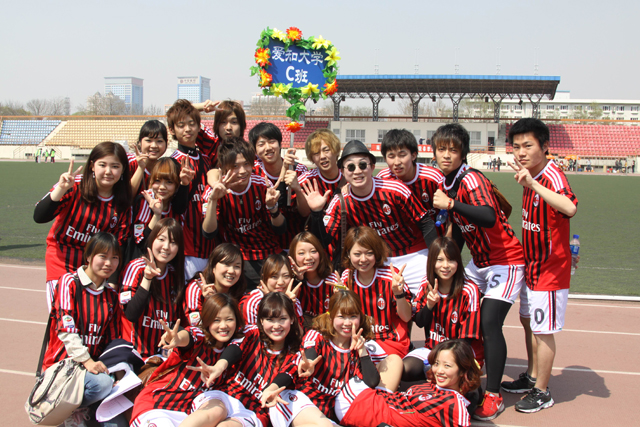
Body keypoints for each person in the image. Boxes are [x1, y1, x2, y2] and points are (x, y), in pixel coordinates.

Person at [431, 123, 525, 421]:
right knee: (459, 311)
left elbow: (488, 216)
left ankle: (493, 394)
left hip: (505, 261)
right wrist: (449, 263)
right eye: (441, 149)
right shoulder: (447, 181)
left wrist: (451, 204)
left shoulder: (471, 179)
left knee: (488, 322)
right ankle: (467, 376)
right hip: (479, 264)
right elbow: (459, 229)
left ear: (463, 153)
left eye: (453, 150)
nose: (446, 155)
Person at [503, 118, 578, 413]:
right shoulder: (530, 173)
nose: (521, 152)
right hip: (532, 265)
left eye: (528, 145)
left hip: (550, 269)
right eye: (516, 146)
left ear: (545, 146)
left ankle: (542, 391)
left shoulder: (550, 176)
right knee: (529, 322)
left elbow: (570, 207)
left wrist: (533, 184)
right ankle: (533, 376)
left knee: (543, 330)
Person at [304, 139, 437, 294]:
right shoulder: (340, 202)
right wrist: (316, 212)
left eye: (362, 165)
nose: (357, 171)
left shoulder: (396, 190)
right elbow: (323, 240)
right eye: (351, 167)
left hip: (414, 255)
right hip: (375, 262)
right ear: (343, 172)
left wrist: (435, 258)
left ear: (372, 167)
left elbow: (425, 222)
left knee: (429, 301)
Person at [183, 292, 332, 427]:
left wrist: (270, 390)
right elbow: (235, 348)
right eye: (270, 319)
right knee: (212, 412)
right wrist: (219, 366)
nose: (276, 326)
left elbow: (286, 375)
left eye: (282, 319)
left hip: (254, 410)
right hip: (227, 394)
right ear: (261, 320)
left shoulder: (296, 352)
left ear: (292, 319)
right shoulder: (252, 333)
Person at [34, 141, 132, 311]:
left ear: (123, 169)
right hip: (61, 260)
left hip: (94, 268)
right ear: (92, 166)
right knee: (63, 315)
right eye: (102, 165)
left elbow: (118, 244)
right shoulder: (74, 184)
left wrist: (112, 281)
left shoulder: (123, 202)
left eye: (115, 166)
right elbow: (39, 216)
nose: (108, 171)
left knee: (88, 318)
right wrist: (60, 189)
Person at [42, 232, 125, 426]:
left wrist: (118, 374)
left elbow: (112, 342)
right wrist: (87, 361)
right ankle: (68, 409)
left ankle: (80, 406)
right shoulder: (69, 283)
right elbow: (66, 330)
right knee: (102, 384)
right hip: (64, 367)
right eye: (103, 256)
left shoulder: (111, 295)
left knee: (119, 422)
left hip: (92, 371)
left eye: (114, 258)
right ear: (88, 256)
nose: (109, 263)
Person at [130, 293, 244, 427]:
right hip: (158, 406)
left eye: (229, 319)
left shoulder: (236, 347)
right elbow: (188, 336)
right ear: (207, 320)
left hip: (189, 414)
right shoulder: (200, 338)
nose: (223, 326)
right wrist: (177, 338)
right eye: (216, 320)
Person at [332, 226, 412, 391]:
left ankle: (380, 396)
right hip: (358, 340)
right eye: (357, 254)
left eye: (369, 253)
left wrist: (398, 293)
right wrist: (339, 299)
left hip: (389, 341)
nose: (363, 259)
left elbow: (406, 317)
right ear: (348, 254)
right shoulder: (347, 278)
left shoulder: (391, 277)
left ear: (377, 253)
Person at [202, 138, 287, 290]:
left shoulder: (261, 185)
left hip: (270, 253)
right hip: (240, 258)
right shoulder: (214, 191)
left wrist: (273, 207)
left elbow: (280, 229)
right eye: (235, 166)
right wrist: (213, 200)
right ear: (224, 167)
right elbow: (208, 233)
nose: (242, 171)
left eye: (246, 164)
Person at [335, 340, 482, 427]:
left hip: (358, 406)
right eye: (437, 363)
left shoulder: (455, 405)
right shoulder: (433, 386)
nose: (439, 371)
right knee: (392, 360)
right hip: (366, 399)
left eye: (447, 366)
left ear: (463, 371)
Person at [403, 237, 482, 378]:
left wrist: (443, 362)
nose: (445, 265)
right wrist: (429, 305)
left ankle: (440, 375)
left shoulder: (469, 290)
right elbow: (420, 322)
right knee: (404, 370)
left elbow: (466, 339)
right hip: (432, 349)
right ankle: (433, 374)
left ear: (458, 262)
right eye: (439, 260)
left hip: (460, 353)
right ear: (432, 262)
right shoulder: (426, 284)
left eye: (451, 260)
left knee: (458, 382)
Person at [298, 290, 382, 420]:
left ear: (360, 318)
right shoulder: (317, 336)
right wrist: (308, 363)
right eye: (341, 317)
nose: (347, 323)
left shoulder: (361, 347)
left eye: (353, 316)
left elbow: (372, 382)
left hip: (335, 412)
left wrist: (362, 351)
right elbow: (310, 353)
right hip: (306, 405)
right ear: (330, 317)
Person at [119, 218, 185, 359]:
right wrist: (147, 278)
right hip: (132, 354)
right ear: (152, 240)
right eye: (161, 239)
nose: (166, 247)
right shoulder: (135, 267)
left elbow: (176, 322)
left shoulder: (174, 275)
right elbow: (130, 314)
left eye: (173, 242)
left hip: (160, 356)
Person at [167, 99, 218, 279]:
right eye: (181, 125)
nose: (187, 129)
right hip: (186, 249)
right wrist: (183, 185)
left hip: (210, 246)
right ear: (172, 130)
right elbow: (176, 207)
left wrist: (200, 108)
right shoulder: (172, 162)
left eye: (192, 124)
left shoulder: (206, 159)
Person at [249, 122, 310, 253]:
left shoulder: (299, 170)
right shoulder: (253, 172)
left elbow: (305, 212)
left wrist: (297, 189)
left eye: (272, 142)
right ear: (254, 150)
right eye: (261, 144)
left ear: (280, 144)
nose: (268, 148)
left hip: (296, 244)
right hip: (265, 246)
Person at [127, 157, 192, 263]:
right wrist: (156, 215)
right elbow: (140, 242)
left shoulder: (177, 205)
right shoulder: (144, 201)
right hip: (142, 264)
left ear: (176, 185)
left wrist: (185, 184)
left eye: (169, 182)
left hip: (167, 266)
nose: (162, 187)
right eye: (157, 181)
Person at [377, 129, 443, 228]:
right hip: (404, 234)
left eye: (402, 155)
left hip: (435, 232)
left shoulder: (433, 177)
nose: (397, 162)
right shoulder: (382, 179)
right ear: (385, 158)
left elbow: (449, 210)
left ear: (413, 155)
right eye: (391, 156)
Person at [183, 243, 246, 327]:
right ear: (213, 267)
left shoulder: (241, 293)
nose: (231, 271)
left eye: (237, 266)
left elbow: (242, 326)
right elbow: (195, 326)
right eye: (226, 264)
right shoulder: (196, 288)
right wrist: (211, 303)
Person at [288, 231, 339, 327]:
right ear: (293, 257)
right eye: (301, 253)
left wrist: (342, 293)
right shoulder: (289, 282)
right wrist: (298, 280)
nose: (308, 257)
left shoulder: (333, 281)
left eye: (313, 251)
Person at [238, 253, 304, 327]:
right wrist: (268, 301)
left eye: (286, 276)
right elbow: (251, 333)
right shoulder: (252, 303)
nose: (280, 282)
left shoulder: (293, 300)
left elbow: (299, 332)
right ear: (264, 277)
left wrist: (289, 305)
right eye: (274, 277)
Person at [128, 119, 169, 193]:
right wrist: (141, 168)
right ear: (139, 142)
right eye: (148, 140)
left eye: (159, 141)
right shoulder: (129, 163)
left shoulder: (167, 166)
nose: (154, 146)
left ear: (166, 143)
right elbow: (127, 196)